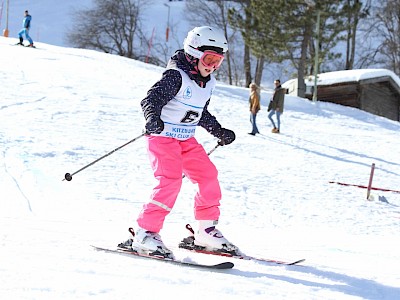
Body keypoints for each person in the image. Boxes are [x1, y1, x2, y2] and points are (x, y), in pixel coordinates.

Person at [122, 26, 239, 259]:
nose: (213, 65)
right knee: (170, 181)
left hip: (186, 139)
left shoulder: (208, 83)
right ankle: (145, 233)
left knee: (208, 176)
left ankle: (205, 230)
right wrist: (152, 118)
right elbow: (150, 99)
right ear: (193, 53)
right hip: (163, 136)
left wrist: (219, 131)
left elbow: (200, 113)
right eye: (209, 59)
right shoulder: (176, 76)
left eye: (218, 60)